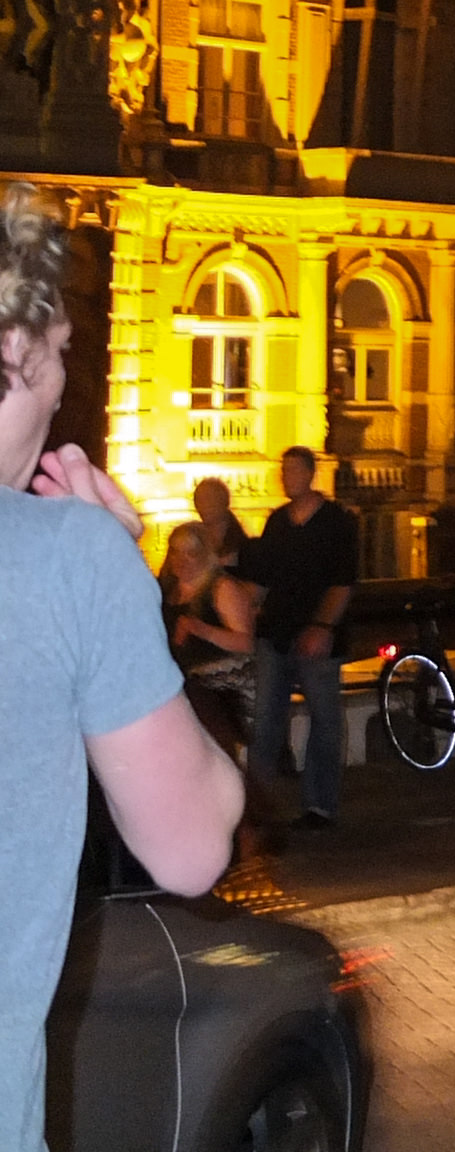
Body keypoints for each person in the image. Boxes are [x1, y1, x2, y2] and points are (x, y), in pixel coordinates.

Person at [0, 183, 243, 1149]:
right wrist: (125, 594)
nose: (67, 382)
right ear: (16, 350)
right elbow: (191, 846)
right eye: (63, 350)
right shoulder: (68, 559)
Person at [240, 444, 360, 830]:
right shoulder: (277, 522)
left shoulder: (337, 522)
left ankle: (319, 804)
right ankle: (257, 806)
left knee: (324, 719)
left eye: (293, 470)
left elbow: (343, 581)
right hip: (276, 633)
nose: (286, 477)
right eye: (283, 470)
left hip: (316, 638)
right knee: (265, 721)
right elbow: (262, 580)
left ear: (310, 474)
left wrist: (322, 627)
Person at [163, 521, 258, 754]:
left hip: (221, 686)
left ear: (205, 555)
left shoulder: (222, 588)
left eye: (191, 553)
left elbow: (246, 643)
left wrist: (203, 630)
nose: (181, 560)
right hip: (181, 683)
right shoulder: (167, 591)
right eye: (176, 552)